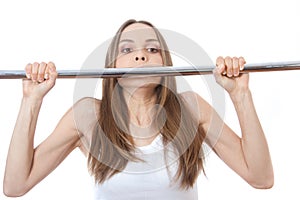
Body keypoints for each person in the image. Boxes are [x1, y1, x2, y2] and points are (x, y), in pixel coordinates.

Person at [3, 19, 274, 199]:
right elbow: (16, 185)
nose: (141, 55)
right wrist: (31, 99)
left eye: (152, 49)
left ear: (165, 63)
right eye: (127, 48)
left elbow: (260, 177)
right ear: (112, 68)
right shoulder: (89, 116)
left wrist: (241, 95)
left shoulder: (190, 108)